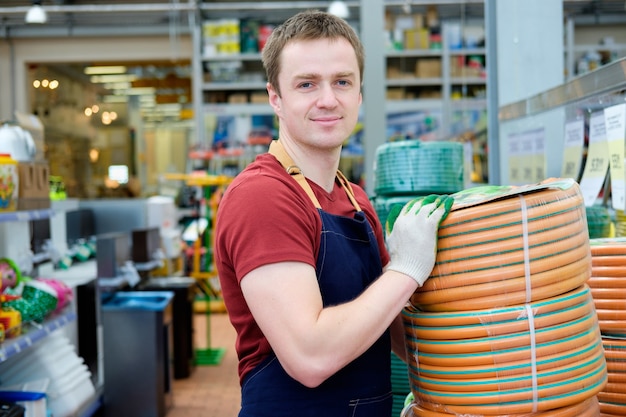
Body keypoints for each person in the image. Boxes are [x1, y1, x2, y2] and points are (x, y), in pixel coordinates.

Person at [214, 9, 453, 417]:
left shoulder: (356, 200)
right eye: (307, 84)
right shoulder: (262, 197)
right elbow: (309, 357)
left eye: (342, 82)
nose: (328, 99)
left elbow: (393, 331)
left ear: (359, 94)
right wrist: (406, 269)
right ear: (276, 97)